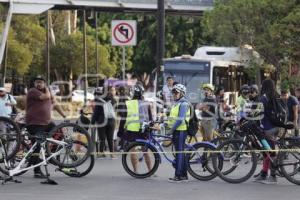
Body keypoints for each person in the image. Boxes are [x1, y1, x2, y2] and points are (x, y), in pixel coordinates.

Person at [26, 75, 66, 178]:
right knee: (37, 146)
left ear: (44, 83)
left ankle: (51, 154)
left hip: (47, 123)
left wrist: (64, 116)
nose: (38, 84)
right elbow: (46, 97)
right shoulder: (32, 91)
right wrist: (47, 89)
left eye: (41, 82)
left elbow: (56, 105)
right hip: (34, 123)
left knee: (60, 135)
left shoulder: (49, 93)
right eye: (37, 82)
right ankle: (37, 171)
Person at [118, 84, 153, 173]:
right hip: (143, 129)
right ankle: (150, 170)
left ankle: (135, 171)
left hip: (132, 130)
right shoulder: (147, 104)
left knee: (132, 150)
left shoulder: (128, 103)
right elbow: (150, 118)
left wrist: (120, 132)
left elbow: (123, 119)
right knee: (145, 150)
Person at [254, 79, 280, 184]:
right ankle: (264, 173)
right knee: (267, 152)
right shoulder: (274, 96)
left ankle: (273, 176)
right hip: (275, 127)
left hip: (268, 128)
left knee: (269, 152)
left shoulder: (264, 98)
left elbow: (256, 113)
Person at [167, 83, 191, 182]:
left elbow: (180, 119)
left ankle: (178, 176)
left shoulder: (184, 104)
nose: (174, 94)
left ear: (182, 93)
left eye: (176, 92)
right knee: (180, 153)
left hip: (181, 131)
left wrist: (171, 130)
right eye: (173, 92)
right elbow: (173, 118)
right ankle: (184, 175)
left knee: (179, 153)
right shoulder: (176, 103)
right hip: (177, 131)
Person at [91, 86, 117, 159]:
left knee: (102, 138)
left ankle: (101, 153)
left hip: (101, 121)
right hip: (111, 121)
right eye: (113, 90)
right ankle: (112, 154)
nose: (114, 92)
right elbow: (115, 111)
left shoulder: (99, 100)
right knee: (110, 138)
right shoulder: (114, 100)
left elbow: (96, 113)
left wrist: (92, 122)